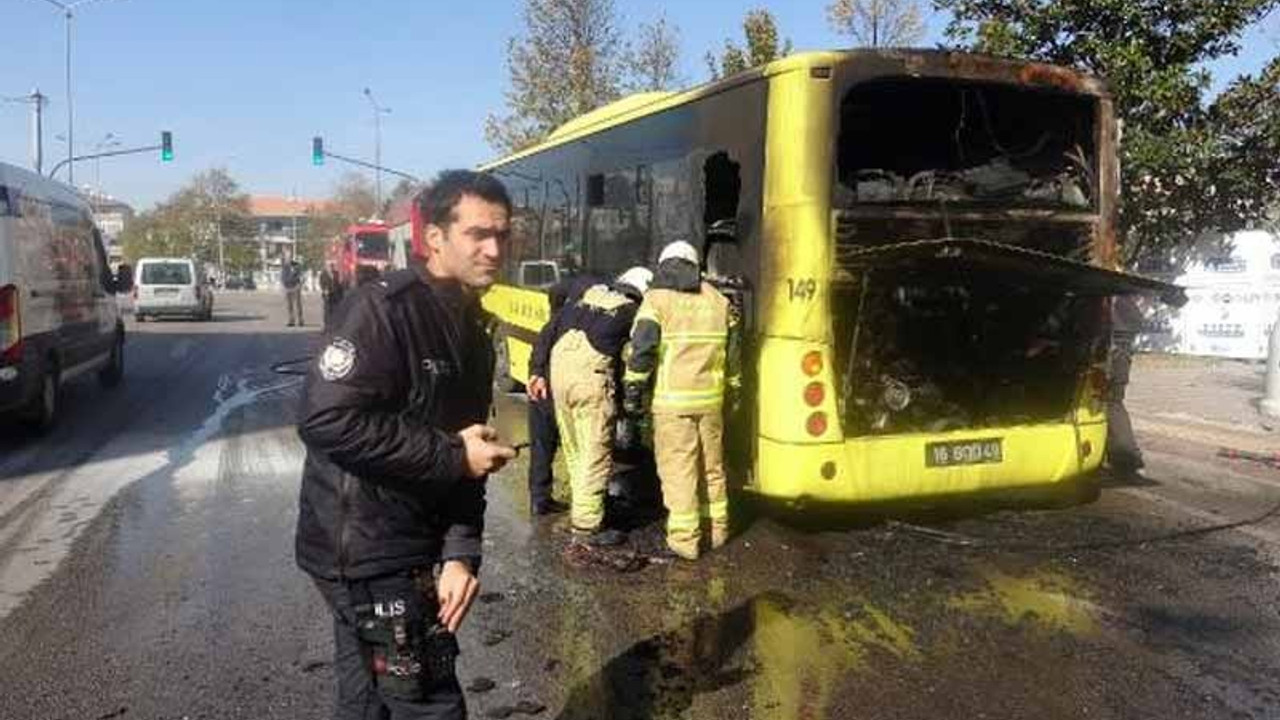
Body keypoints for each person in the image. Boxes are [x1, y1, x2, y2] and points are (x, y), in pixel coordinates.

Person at [295, 170, 518, 720]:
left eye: (502, 235)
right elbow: (325, 418)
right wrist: (450, 455)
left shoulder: (473, 327)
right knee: (429, 704)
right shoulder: (383, 310)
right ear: (434, 238)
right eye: (477, 234)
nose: (493, 249)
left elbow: (471, 451)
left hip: (407, 545)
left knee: (369, 704)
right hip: (368, 551)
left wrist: (461, 552)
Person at [624, 240, 738, 561]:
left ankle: (685, 541)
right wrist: (735, 389)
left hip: (673, 405)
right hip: (711, 402)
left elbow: (643, 350)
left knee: (680, 471)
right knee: (712, 469)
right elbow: (734, 354)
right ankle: (718, 532)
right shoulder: (718, 300)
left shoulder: (656, 300)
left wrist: (633, 391)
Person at [531, 267, 653, 544]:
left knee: (575, 448)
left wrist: (537, 371)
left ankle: (583, 508)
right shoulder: (632, 311)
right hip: (589, 378)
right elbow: (635, 357)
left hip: (558, 374)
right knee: (595, 452)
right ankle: (586, 528)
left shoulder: (585, 299)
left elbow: (548, 330)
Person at [525, 272, 602, 516]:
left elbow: (540, 345)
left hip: (545, 389)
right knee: (580, 446)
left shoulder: (558, 318)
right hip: (565, 391)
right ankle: (584, 501)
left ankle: (540, 499)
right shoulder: (593, 318)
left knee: (542, 446)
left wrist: (535, 373)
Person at [1106, 294, 1145, 474]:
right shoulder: (1124, 295)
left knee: (1103, 402)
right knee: (1113, 402)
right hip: (1121, 349)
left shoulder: (1101, 287)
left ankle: (1125, 456)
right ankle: (1127, 457)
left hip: (1102, 346)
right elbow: (1137, 321)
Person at [282, 253, 305, 327]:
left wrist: (299, 285)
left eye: (288, 257)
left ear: (291, 258)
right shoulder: (285, 266)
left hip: (295, 287)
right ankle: (291, 320)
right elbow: (283, 276)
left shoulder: (297, 265)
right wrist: (284, 284)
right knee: (289, 305)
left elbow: (301, 276)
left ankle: (300, 320)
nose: (287, 259)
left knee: (298, 305)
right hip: (287, 288)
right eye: (286, 257)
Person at [320, 262, 345, 327]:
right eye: (329, 266)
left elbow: (339, 283)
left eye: (332, 266)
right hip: (327, 294)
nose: (331, 267)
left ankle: (335, 324)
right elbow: (321, 283)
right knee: (327, 310)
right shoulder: (323, 274)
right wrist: (324, 289)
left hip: (335, 294)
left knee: (335, 309)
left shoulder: (336, 273)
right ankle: (327, 324)